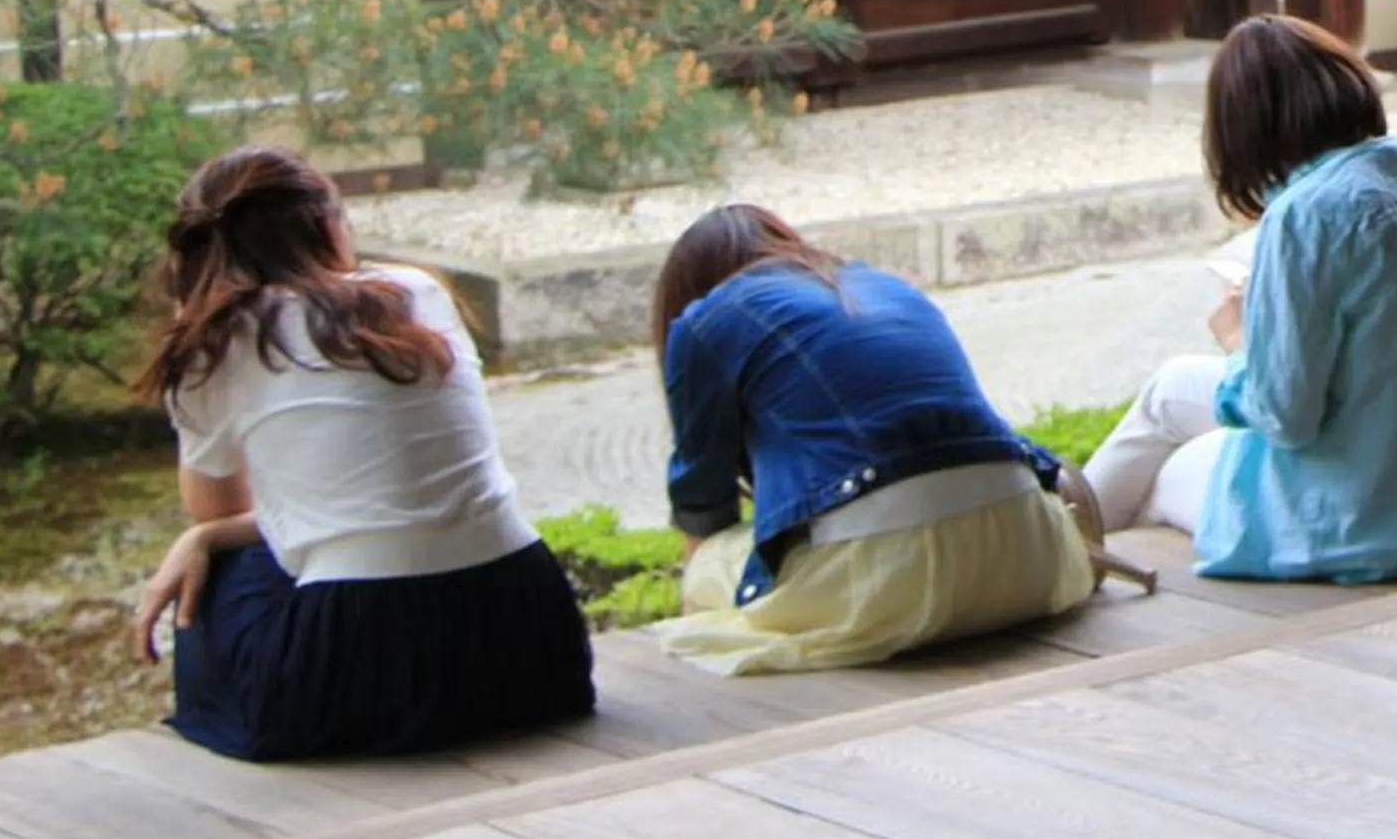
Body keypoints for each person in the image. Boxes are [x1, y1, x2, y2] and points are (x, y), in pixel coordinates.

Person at [131, 148, 593, 761]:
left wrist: (205, 539)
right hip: (530, 644)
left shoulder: (214, 343)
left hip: (360, 665)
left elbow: (217, 513)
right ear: (328, 225)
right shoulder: (416, 292)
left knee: (224, 573)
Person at [1082, 14, 1397, 583]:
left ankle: (1061, 553)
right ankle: (1068, 542)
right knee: (1172, 387)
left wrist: (1240, 337)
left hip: (1361, 527)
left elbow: (1285, 414)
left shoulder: (1307, 213)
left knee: (1163, 477)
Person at [649, 204, 1096, 674]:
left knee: (709, 569)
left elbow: (703, 502)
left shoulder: (703, 322)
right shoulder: (884, 285)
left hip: (885, 586)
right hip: (1035, 560)